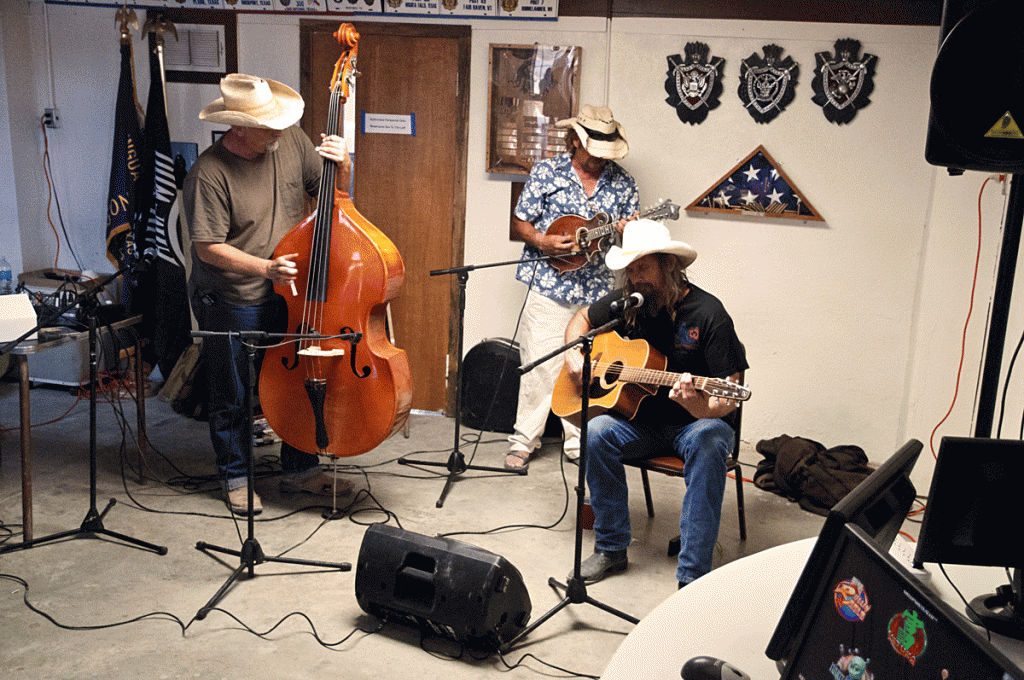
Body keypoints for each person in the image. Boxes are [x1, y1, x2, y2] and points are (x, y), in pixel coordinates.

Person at [184, 73, 354, 515]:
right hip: (232, 296)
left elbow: (334, 195)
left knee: (298, 381)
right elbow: (207, 247)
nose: (278, 130)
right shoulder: (209, 173)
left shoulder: (290, 141)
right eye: (267, 125)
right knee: (234, 393)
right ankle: (236, 477)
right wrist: (266, 268)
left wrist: (344, 164)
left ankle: (300, 469)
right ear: (237, 127)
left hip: (289, 293)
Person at [562, 219, 748, 587]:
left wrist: (698, 406)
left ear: (669, 264)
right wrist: (574, 357)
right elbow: (582, 318)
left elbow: (729, 397)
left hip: (694, 424)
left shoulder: (709, 314)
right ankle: (611, 548)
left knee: (711, 439)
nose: (636, 278)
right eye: (630, 270)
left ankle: (692, 576)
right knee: (596, 430)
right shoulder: (631, 302)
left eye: (643, 267)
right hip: (641, 422)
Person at [506, 105, 639, 471]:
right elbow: (521, 221)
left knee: (589, 369)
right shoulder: (547, 171)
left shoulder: (624, 184)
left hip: (596, 293)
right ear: (575, 141)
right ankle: (523, 441)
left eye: (604, 153)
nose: (598, 159)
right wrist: (543, 242)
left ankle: (580, 443)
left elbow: (631, 246)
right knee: (540, 366)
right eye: (593, 151)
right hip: (548, 285)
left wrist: (631, 232)